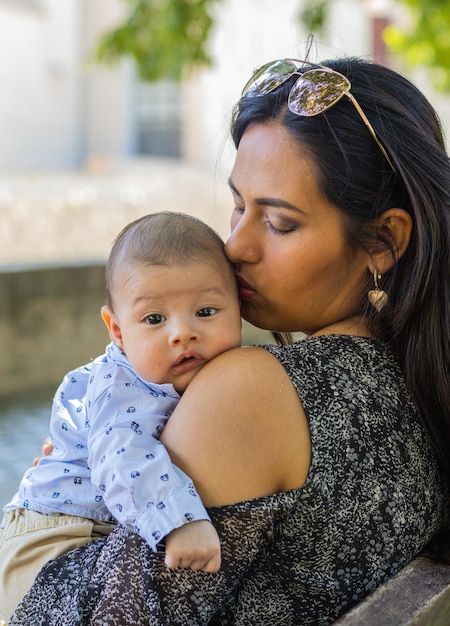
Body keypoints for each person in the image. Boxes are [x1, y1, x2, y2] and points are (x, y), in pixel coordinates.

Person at [10, 55, 450, 626]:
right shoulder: (419, 378)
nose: (235, 245)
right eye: (239, 205)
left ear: (384, 240)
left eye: (279, 222)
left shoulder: (250, 390)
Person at [0, 212, 242, 622]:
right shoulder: (122, 384)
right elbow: (122, 455)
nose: (182, 332)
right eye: (154, 319)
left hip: (91, 529)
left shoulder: (197, 374)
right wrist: (177, 522)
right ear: (117, 331)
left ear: (240, 307)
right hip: (51, 539)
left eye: (205, 311)